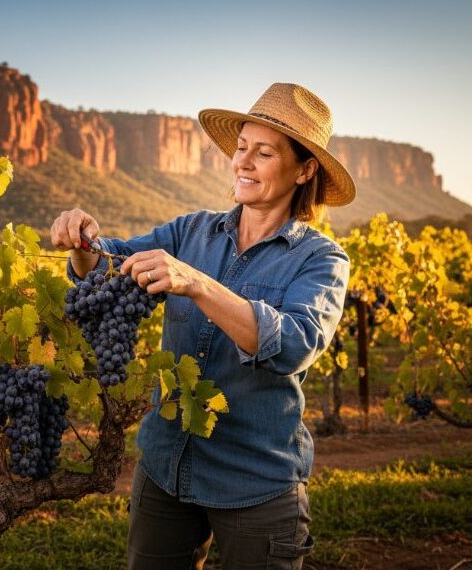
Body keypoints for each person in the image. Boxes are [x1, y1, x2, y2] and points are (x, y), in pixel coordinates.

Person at [50, 83, 355, 570]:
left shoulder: (321, 260)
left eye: (264, 152)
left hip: (256, 481)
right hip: (166, 466)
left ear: (304, 169)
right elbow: (109, 270)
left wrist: (197, 283)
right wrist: (82, 243)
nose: (243, 162)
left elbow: (293, 346)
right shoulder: (190, 230)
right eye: (240, 149)